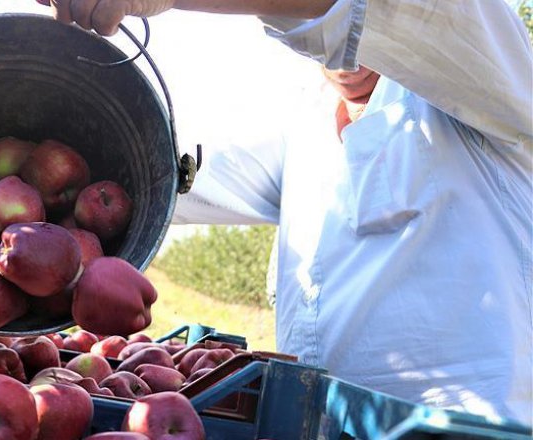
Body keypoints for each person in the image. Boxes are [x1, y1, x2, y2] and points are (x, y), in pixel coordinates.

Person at [46, 0, 533, 426]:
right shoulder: (307, 124)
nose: (345, 56)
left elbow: (384, 11)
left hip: (462, 426)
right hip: (316, 423)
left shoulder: (492, 80)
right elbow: (171, 178)